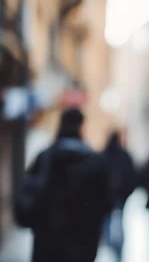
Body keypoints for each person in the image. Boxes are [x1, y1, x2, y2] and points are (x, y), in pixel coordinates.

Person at [16, 108, 112, 262]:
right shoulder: (96, 162)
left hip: (47, 242)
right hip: (83, 243)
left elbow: (27, 196)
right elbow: (106, 203)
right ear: (82, 126)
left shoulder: (45, 157)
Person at [102, 131, 137, 262]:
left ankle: (111, 248)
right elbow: (133, 176)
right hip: (119, 197)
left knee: (108, 222)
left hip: (110, 197)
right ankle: (116, 250)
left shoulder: (105, 155)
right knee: (117, 223)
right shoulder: (124, 156)